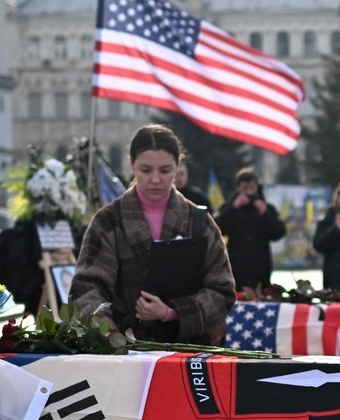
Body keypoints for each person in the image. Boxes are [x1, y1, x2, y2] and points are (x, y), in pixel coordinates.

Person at [71, 124, 235, 347]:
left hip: (188, 355)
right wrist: (112, 339)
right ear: (132, 165)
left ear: (178, 166)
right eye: (146, 170)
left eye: (165, 170)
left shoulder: (199, 221)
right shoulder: (108, 221)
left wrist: (172, 312)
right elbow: (86, 288)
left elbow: (222, 290)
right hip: (123, 357)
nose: (155, 179)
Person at [214, 166, 285, 293]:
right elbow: (217, 228)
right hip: (236, 266)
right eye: (245, 188)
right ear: (239, 188)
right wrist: (233, 208)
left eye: (251, 188)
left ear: (257, 187)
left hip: (261, 265)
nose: (249, 192)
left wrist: (265, 213)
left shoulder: (266, 208)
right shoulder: (230, 207)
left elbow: (279, 232)